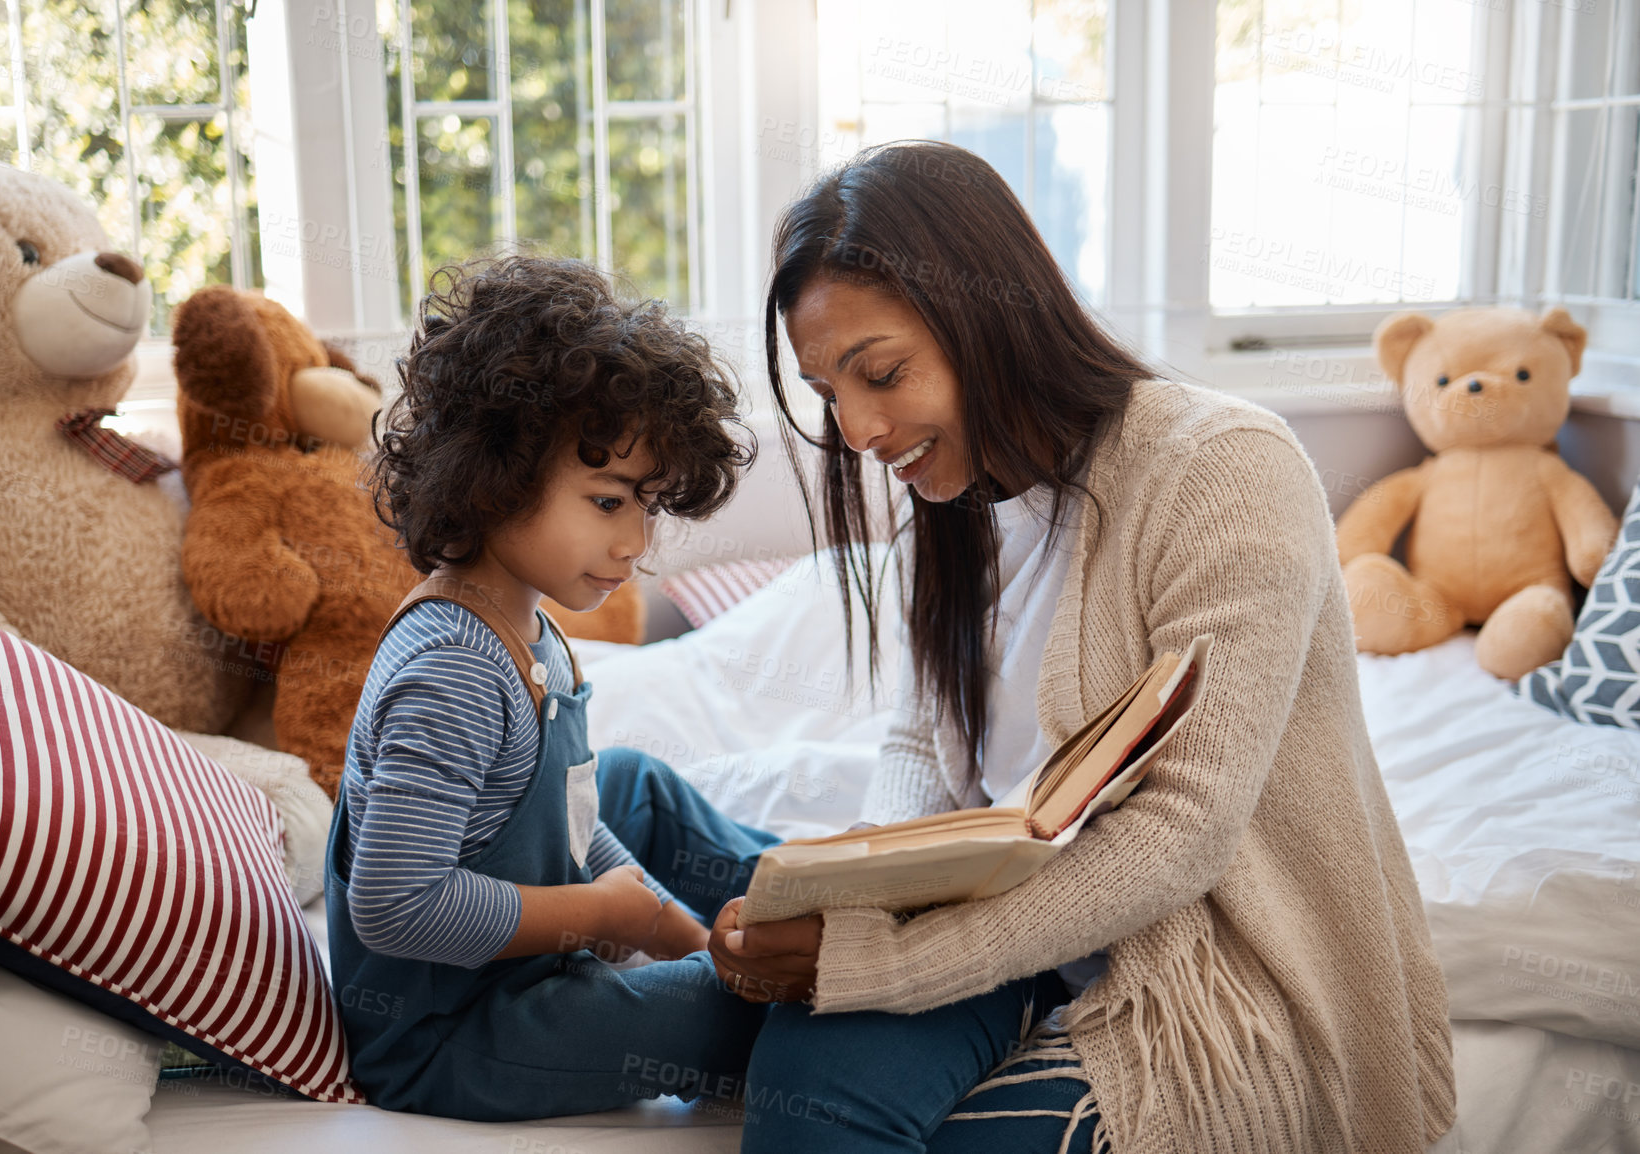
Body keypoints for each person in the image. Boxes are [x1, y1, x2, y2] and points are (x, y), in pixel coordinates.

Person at [706, 141, 1457, 1153]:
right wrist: (870, 891)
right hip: (1000, 936)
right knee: (789, 1066)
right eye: (829, 390)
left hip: (1195, 981)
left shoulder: (1225, 469)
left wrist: (875, 966)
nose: (862, 431)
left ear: (990, 314)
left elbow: (1178, 836)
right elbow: (921, 743)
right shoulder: (952, 497)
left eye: (881, 373)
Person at [324, 255, 780, 1122]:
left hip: (524, 961)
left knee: (633, 784)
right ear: (491, 474)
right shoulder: (453, 668)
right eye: (608, 503)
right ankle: (791, 962)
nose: (636, 543)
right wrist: (600, 919)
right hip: (449, 1030)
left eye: (648, 507)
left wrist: (672, 931)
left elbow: (575, 822)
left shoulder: (531, 627)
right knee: (735, 1015)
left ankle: (797, 899)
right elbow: (396, 907)